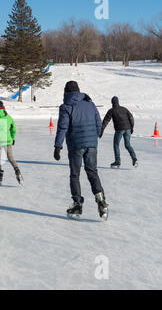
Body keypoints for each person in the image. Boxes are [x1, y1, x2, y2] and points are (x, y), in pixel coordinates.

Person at [54, 81, 109, 221]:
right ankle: (100, 198)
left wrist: (57, 146)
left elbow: (62, 127)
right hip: (92, 145)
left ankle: (77, 203)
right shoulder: (89, 103)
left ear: (66, 92)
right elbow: (98, 122)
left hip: (75, 145)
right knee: (92, 172)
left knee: (75, 175)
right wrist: (95, 136)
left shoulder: (66, 106)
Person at [0, 101, 23, 185]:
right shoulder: (8, 117)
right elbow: (14, 129)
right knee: (11, 158)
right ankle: (17, 171)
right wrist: (13, 139)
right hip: (8, 141)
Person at [100, 96, 138, 168]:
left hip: (120, 129)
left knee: (116, 144)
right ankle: (134, 158)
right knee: (128, 145)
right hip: (128, 129)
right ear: (118, 102)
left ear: (112, 102)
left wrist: (101, 131)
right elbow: (131, 118)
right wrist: (131, 128)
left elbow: (105, 121)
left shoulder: (111, 110)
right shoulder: (124, 109)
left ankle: (117, 161)